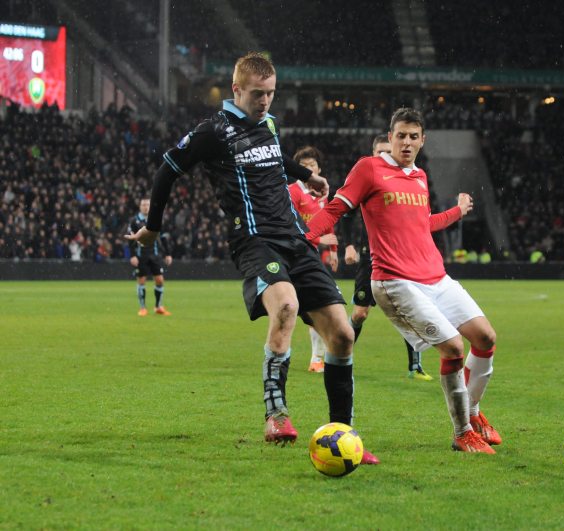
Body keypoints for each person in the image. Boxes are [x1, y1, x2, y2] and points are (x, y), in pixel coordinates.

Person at [126, 52, 378, 464]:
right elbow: (167, 170)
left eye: (271, 94)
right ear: (236, 89)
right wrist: (153, 227)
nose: (265, 101)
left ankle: (343, 435)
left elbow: (274, 158)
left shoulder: (269, 123)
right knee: (286, 308)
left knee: (344, 335)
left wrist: (305, 175)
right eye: (258, 94)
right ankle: (276, 414)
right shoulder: (213, 132)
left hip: (294, 238)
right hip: (254, 240)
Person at [307, 107, 501, 454]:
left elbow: (422, 224)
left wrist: (457, 211)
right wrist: (305, 238)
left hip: (436, 277)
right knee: (454, 348)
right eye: (401, 136)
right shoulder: (369, 168)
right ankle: (462, 433)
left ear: (422, 140)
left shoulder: (421, 177)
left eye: (414, 136)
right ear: (390, 137)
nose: (407, 142)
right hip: (396, 281)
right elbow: (337, 208)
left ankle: (473, 411)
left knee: (486, 338)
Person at [341, 134, 432, 382]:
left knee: (408, 312)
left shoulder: (403, 179)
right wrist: (348, 245)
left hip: (400, 259)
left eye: (387, 151)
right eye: (380, 152)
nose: (385, 156)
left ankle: (416, 366)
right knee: (360, 313)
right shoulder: (366, 178)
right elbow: (346, 213)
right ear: (373, 153)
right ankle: (340, 358)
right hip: (369, 257)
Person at [288, 146, 339, 373]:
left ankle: (317, 358)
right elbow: (292, 227)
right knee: (302, 309)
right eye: (304, 167)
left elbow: (328, 223)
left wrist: (334, 249)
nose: (309, 169)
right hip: (294, 258)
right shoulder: (292, 192)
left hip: (311, 258)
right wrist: (320, 241)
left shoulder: (322, 194)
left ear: (319, 169)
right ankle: (313, 357)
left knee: (316, 308)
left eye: (312, 166)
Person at [128, 198, 173, 316]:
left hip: (155, 254)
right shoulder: (134, 221)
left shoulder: (156, 220)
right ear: (140, 206)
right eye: (143, 205)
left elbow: (163, 237)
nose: (146, 207)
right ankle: (142, 308)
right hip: (140, 255)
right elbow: (130, 240)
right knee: (141, 281)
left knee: (159, 280)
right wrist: (132, 255)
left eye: (148, 204)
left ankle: (158, 307)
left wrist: (167, 253)